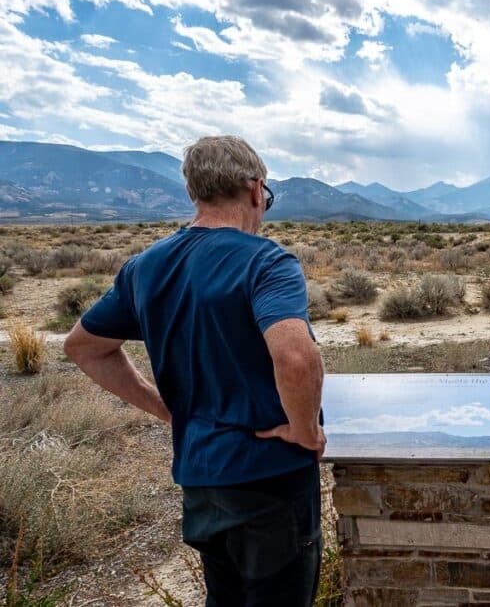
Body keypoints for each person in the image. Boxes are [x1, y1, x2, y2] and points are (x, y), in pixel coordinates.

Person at [64, 135, 326, 606]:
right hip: (269, 478)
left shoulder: (144, 268)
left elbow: (83, 347)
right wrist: (305, 430)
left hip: (202, 480)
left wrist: (166, 411)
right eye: (265, 198)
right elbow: (295, 357)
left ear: (194, 194)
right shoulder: (266, 262)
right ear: (254, 189)